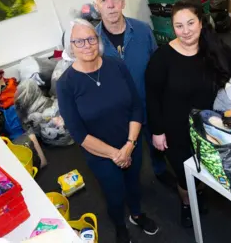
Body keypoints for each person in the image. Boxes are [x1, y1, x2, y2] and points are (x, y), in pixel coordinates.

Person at [145, 0, 231, 228]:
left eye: (190, 23)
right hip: (175, 129)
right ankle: (187, 203)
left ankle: (200, 193)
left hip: (207, 125)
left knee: (204, 165)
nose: (185, 31)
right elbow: (152, 97)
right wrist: (157, 131)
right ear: (172, 27)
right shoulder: (161, 58)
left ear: (201, 22)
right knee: (185, 177)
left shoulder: (212, 47)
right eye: (179, 26)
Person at [56, 19, 159, 243]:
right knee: (114, 193)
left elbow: (135, 106)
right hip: (100, 153)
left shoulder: (116, 66)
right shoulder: (66, 84)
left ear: (98, 40)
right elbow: (78, 133)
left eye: (91, 39)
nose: (87, 45)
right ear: (70, 46)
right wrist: (115, 154)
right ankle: (120, 226)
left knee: (133, 183)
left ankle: (137, 214)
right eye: (79, 41)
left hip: (130, 142)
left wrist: (130, 145)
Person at [92, 0, 176, 188]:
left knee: (157, 144)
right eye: (104, 0)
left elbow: (157, 65)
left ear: (123, 2)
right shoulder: (92, 41)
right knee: (127, 153)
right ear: (97, 6)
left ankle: (159, 169)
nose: (110, 5)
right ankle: (132, 184)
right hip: (119, 113)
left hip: (148, 102)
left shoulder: (142, 30)